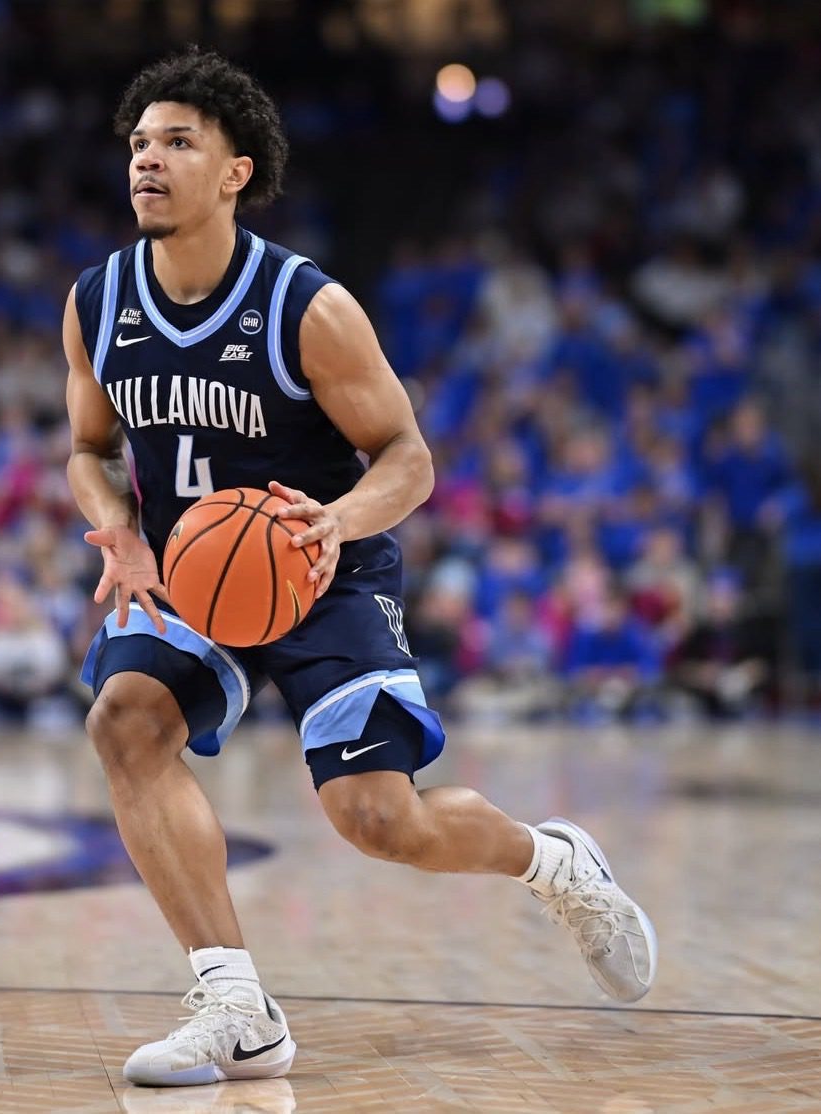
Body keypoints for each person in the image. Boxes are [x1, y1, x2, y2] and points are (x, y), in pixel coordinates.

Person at [65, 49, 656, 1089]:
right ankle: (235, 1006)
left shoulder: (308, 306)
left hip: (320, 562)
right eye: (141, 144)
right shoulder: (98, 301)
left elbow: (410, 458)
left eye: (178, 143)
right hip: (189, 567)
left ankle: (553, 861)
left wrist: (333, 524)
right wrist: (118, 524)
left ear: (236, 171)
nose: (148, 162)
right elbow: (87, 449)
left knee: (381, 820)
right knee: (125, 718)